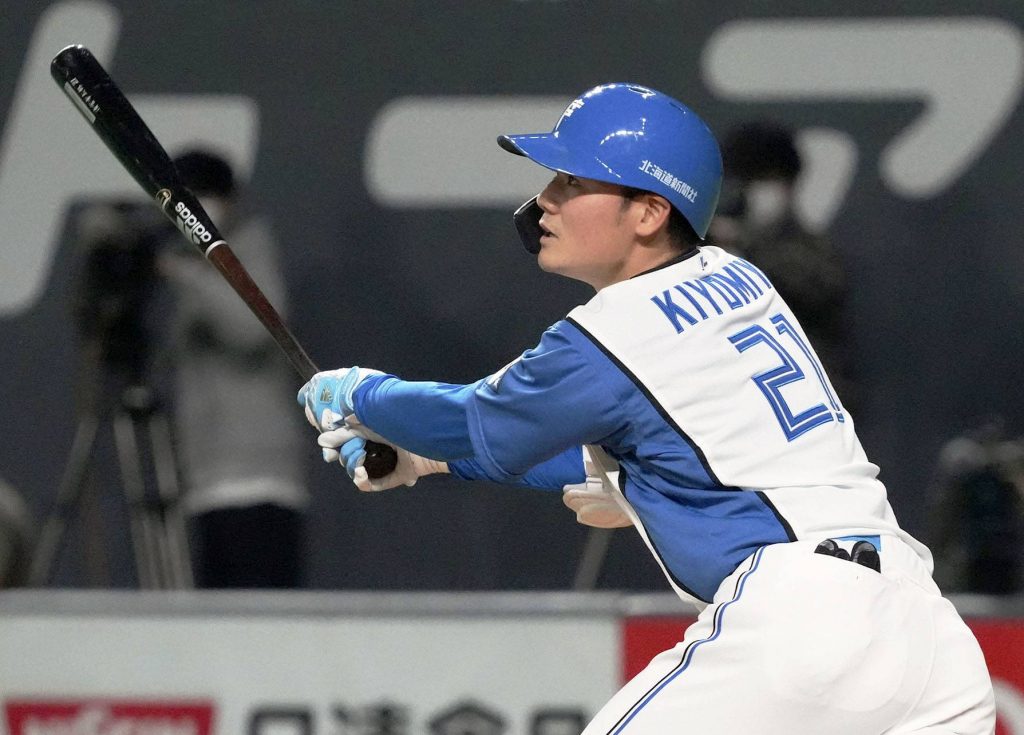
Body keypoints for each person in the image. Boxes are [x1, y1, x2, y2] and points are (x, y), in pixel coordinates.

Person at [298, 84, 994, 732]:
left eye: (573, 181)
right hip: (927, 634)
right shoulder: (737, 276)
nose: (544, 199)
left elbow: (479, 421)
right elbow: (646, 456)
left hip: (803, 618)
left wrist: (361, 392)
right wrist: (422, 460)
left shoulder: (614, 330)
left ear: (651, 210)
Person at [162, 149, 308, 588]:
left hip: (256, 481)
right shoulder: (181, 263)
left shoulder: (247, 249)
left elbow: (254, 327)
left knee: (262, 632)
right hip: (204, 481)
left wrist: (179, 272)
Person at [709, 121, 855, 409]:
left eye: (767, 179)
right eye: (749, 180)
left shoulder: (811, 251)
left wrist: (747, 243)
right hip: (726, 398)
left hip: (801, 398)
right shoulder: (708, 240)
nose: (756, 192)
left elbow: (817, 288)